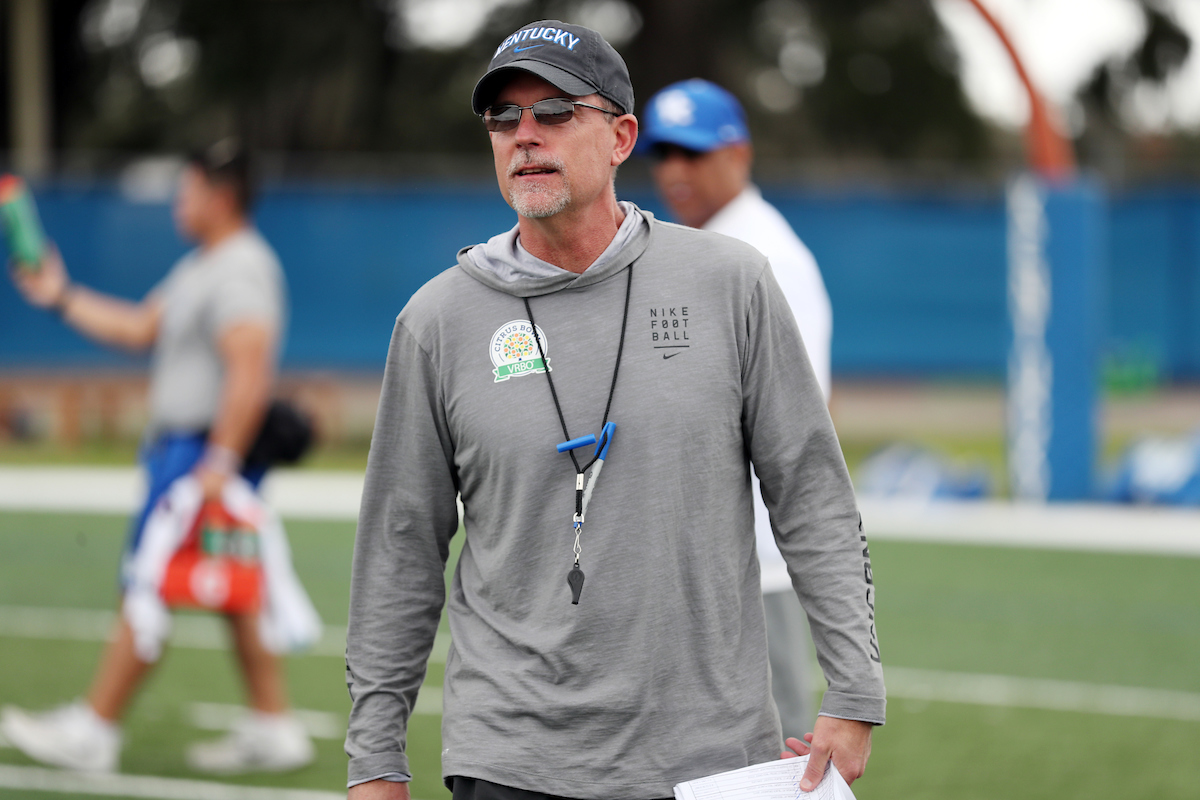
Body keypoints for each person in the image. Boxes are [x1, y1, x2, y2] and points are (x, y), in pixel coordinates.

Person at [345, 20, 883, 800]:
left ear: (622, 136)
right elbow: (398, 549)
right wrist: (375, 759)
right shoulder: (436, 321)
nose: (524, 135)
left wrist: (855, 687)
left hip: (709, 756)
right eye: (504, 118)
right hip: (509, 760)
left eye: (555, 111)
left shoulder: (732, 282)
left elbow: (812, 493)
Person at [0, 140, 314, 775]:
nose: (179, 201)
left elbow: (248, 367)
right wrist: (60, 295)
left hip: (200, 455)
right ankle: (275, 725)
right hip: (193, 452)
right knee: (234, 592)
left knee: (144, 584)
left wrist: (219, 463)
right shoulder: (205, 265)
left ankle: (96, 728)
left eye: (187, 189)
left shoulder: (239, 267)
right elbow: (141, 328)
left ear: (220, 197)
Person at [639, 78, 833, 740]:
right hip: (692, 556)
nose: (675, 171)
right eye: (664, 154)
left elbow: (791, 429)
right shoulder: (695, 250)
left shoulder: (765, 258)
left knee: (774, 761)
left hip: (748, 561)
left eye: (693, 153)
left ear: (739, 152)